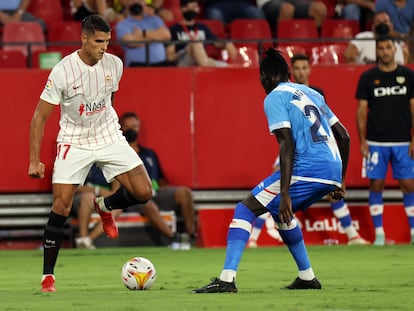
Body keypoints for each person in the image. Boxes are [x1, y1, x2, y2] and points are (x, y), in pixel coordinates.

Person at [192, 47, 351, 293]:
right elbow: (344, 136)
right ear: (289, 72)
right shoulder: (312, 93)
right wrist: (340, 180)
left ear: (266, 77)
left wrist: (285, 193)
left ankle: (226, 280)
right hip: (331, 169)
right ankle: (307, 277)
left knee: (244, 209)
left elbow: (286, 143)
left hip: (306, 169)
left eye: (261, 78)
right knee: (280, 215)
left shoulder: (275, 96)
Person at [28, 15, 153, 293]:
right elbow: (39, 117)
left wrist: (110, 128)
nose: (104, 47)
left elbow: (110, 99)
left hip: (108, 133)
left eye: (107, 41)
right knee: (61, 205)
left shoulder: (115, 64)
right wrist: (34, 159)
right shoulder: (63, 71)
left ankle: (104, 206)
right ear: (83, 38)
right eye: (98, 41)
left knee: (144, 192)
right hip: (74, 139)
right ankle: (48, 276)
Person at [356, 35, 414, 246]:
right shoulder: (368, 77)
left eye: (388, 47)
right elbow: (361, 111)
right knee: (376, 185)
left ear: (394, 49)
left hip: (403, 142)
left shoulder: (407, 75)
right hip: (376, 142)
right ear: (377, 51)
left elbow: (413, 108)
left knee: (409, 185)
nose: (385, 52)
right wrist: (363, 141)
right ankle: (379, 234)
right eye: (381, 48)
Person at [120, 112, 197, 249]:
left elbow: (161, 180)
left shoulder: (149, 154)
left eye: (135, 126)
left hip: (155, 193)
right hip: (134, 197)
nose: (133, 130)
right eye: (128, 127)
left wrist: (164, 187)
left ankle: (189, 237)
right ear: (121, 129)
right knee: (148, 203)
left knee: (184, 193)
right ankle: (175, 239)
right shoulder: (119, 154)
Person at [72, 164, 175, 249]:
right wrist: (97, 190)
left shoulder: (111, 161)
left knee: (119, 205)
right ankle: (83, 237)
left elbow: (116, 190)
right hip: (83, 198)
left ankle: (87, 240)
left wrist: (108, 195)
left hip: (109, 198)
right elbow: (73, 187)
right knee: (88, 197)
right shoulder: (84, 160)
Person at [167, 0, 237, 67]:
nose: (193, 10)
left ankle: (206, 63)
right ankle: (207, 64)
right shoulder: (174, 30)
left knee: (226, 66)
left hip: (202, 59)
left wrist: (226, 43)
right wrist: (185, 51)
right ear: (183, 9)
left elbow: (216, 43)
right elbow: (170, 56)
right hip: (184, 61)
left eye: (195, 7)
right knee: (196, 43)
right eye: (191, 7)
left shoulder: (202, 27)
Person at [115, 0, 171, 67]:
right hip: (136, 65)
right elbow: (130, 42)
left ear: (145, 4)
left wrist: (143, 33)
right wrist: (157, 38)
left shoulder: (155, 19)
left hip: (160, 64)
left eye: (139, 1)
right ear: (127, 4)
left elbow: (166, 35)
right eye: (133, 1)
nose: (136, 3)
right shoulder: (123, 24)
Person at [344, 11, 408, 64]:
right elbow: (349, 55)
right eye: (378, 22)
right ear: (373, 27)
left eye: (385, 21)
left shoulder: (400, 43)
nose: (382, 24)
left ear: (391, 25)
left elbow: (404, 65)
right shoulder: (364, 37)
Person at [258, 0, 327, 31]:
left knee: (320, 9)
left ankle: (314, 50)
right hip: (269, 1)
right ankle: (281, 50)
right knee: (287, 10)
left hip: (294, 1)